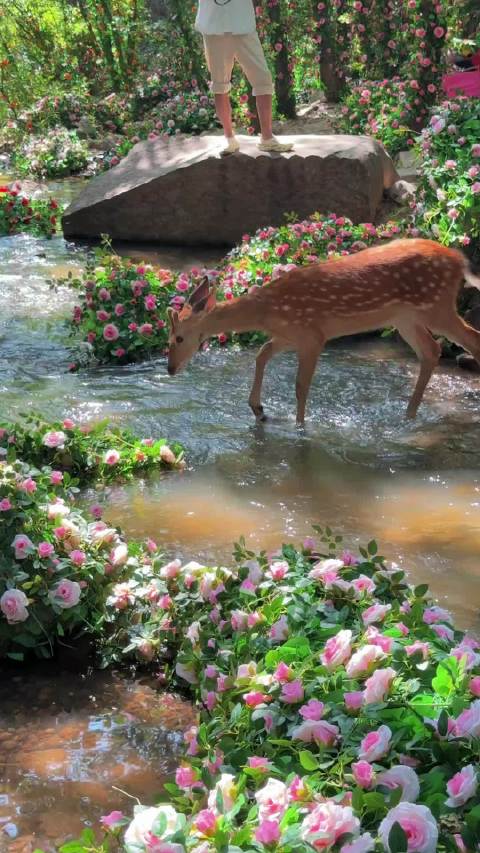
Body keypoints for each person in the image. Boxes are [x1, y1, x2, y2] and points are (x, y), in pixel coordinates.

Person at [195, 0, 293, 155]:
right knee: (220, 85)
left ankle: (267, 139)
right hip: (213, 27)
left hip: (242, 25)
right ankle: (229, 139)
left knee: (263, 79)